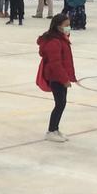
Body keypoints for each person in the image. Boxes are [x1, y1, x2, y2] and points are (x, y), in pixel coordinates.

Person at [36, 13, 76, 142]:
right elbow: (55, 64)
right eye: (66, 25)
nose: (68, 28)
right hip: (56, 77)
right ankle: (51, 130)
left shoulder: (61, 38)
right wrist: (64, 80)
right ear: (58, 27)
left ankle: (55, 128)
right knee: (60, 104)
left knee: (61, 103)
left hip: (60, 76)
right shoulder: (54, 42)